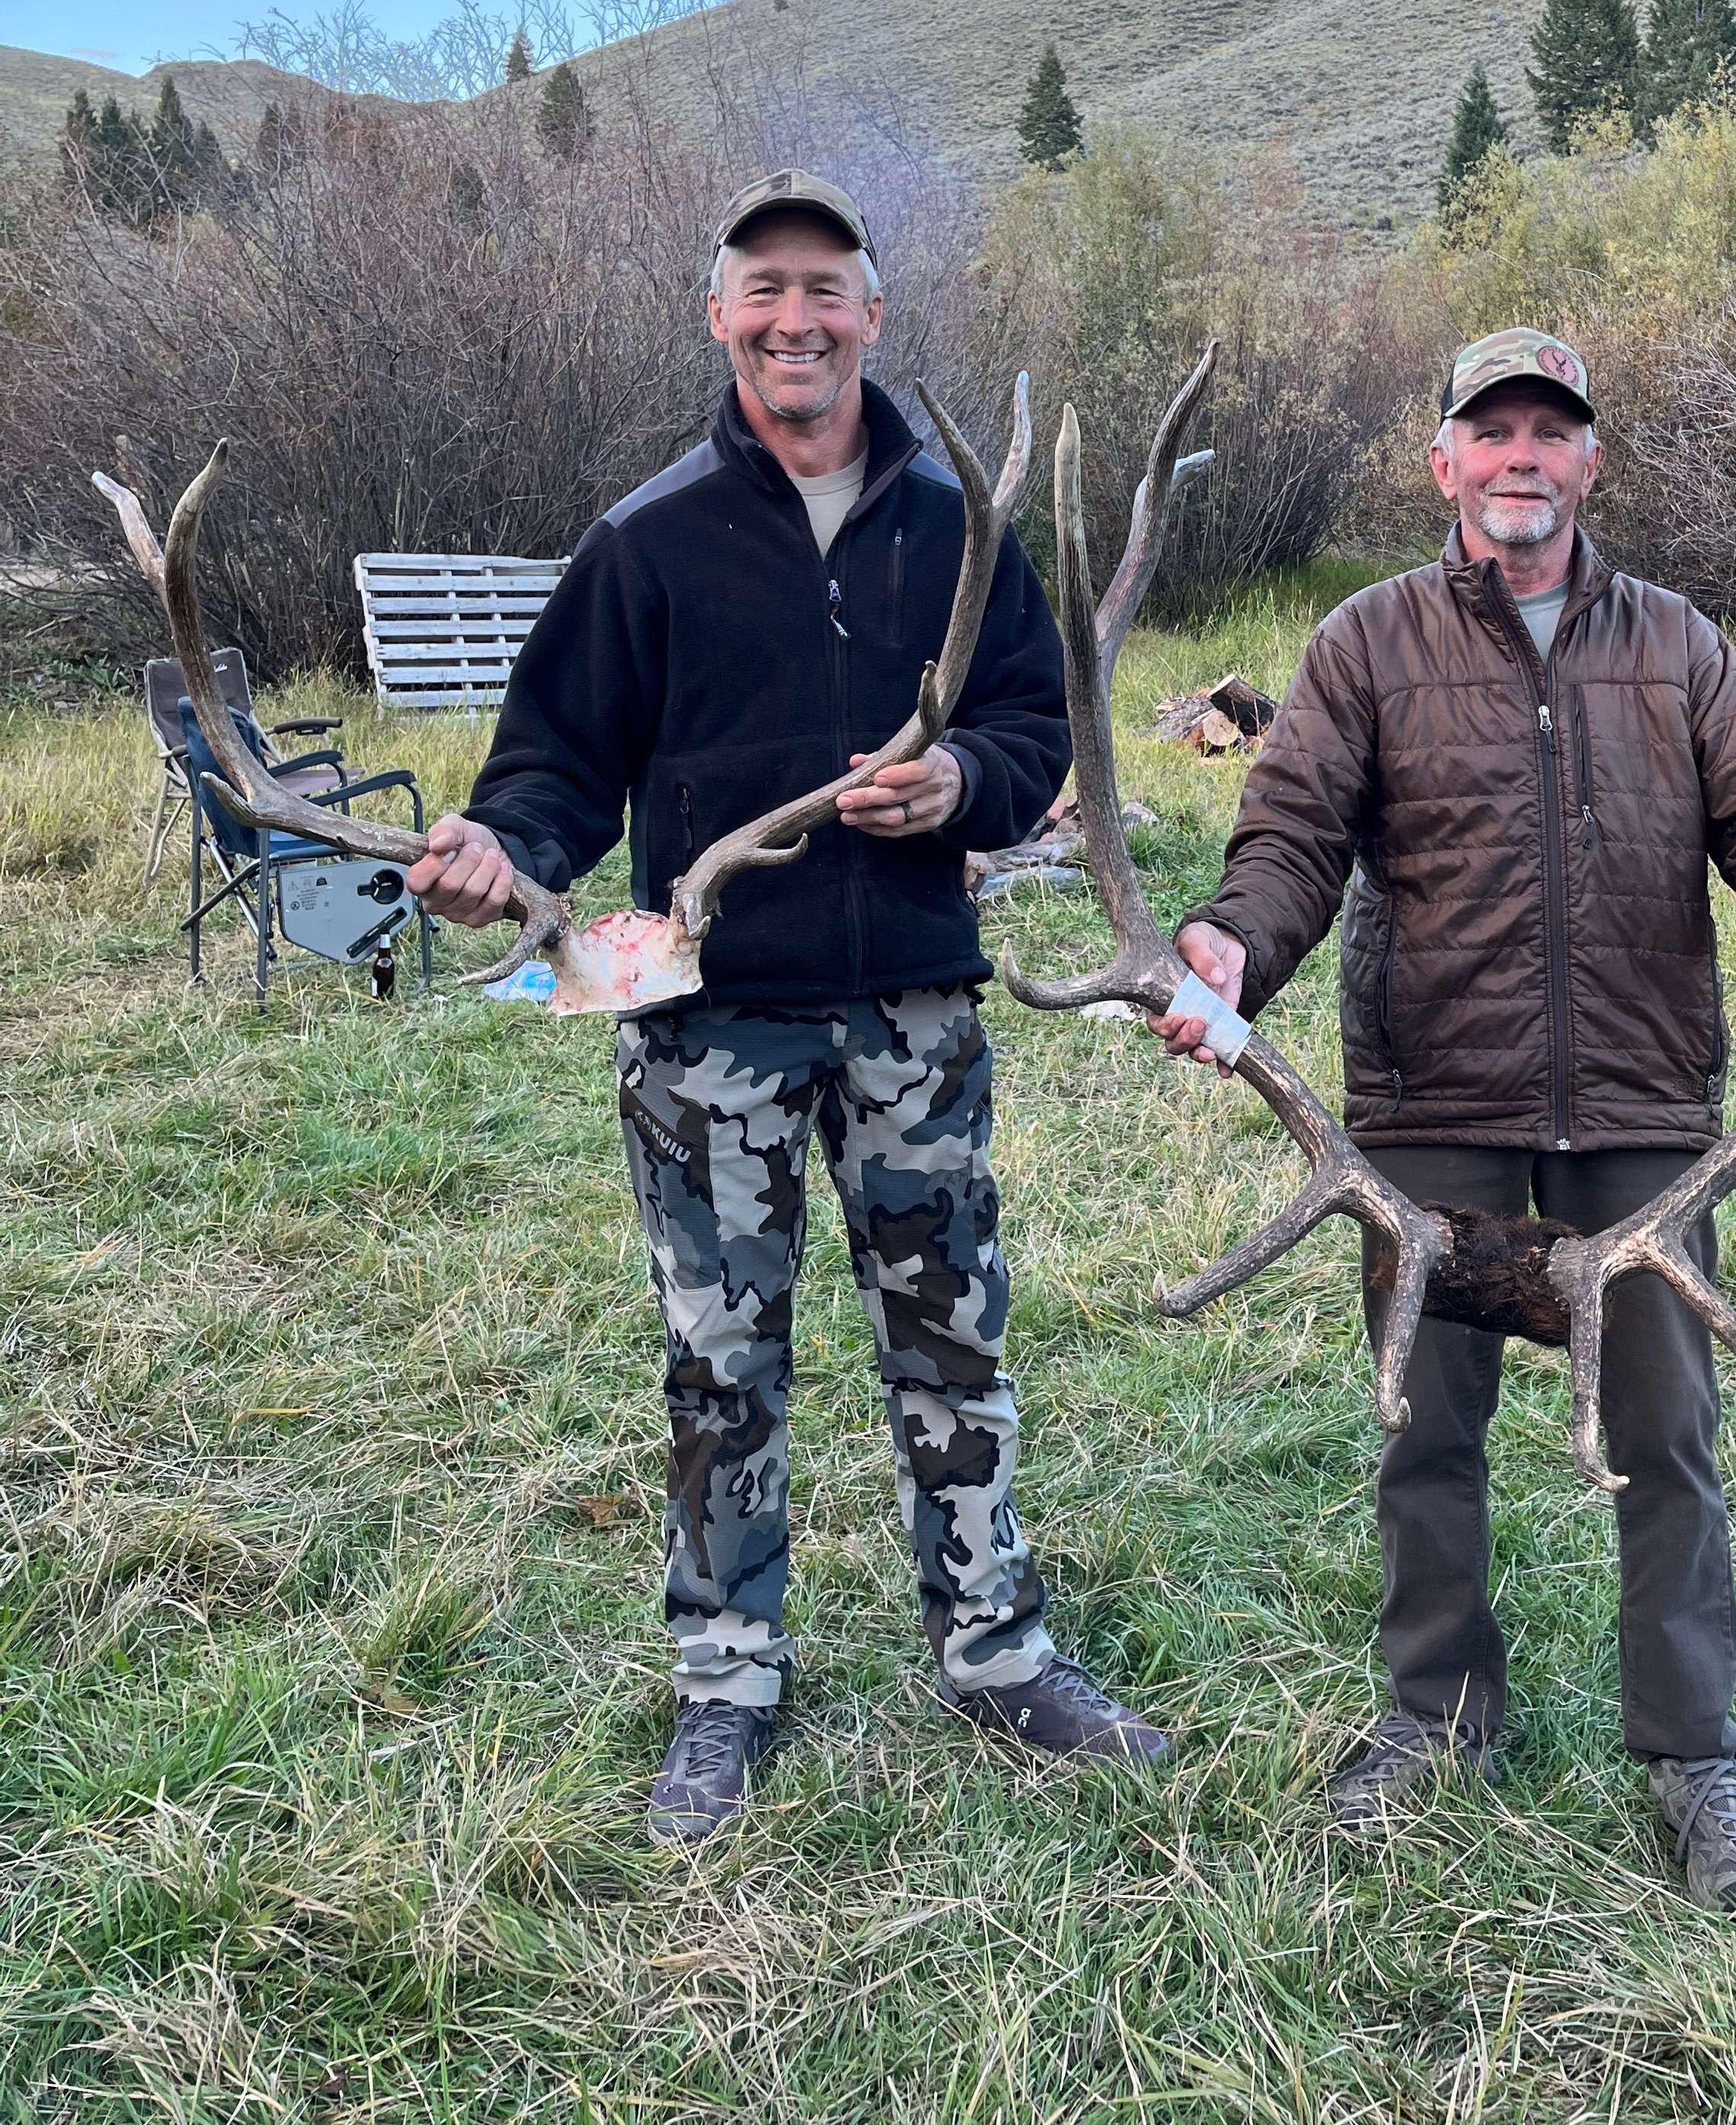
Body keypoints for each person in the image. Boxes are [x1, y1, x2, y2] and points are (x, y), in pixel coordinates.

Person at [1153, 328, 1736, 1912]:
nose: (1518, 457)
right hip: (1433, 1114)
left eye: (1548, 432)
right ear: (1443, 464)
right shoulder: (1365, 645)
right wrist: (1235, 940)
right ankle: (1435, 1721)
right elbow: (1290, 837)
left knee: (1667, 1445)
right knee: (1427, 1437)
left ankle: (1696, 1758)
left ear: (1588, 462)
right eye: (1488, 431)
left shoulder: (1677, 649)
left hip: (1638, 1119)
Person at [408, 168, 1168, 1842]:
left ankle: (995, 1649)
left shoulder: (961, 528)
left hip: (912, 1012)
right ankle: (728, 1679)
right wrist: (496, 854)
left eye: (825, 287)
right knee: (720, 1367)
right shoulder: (651, 535)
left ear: (873, 315)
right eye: (763, 288)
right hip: (708, 1029)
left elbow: (1040, 733)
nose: (795, 318)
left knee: (951, 1344)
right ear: (719, 316)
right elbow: (553, 771)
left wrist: (961, 778)